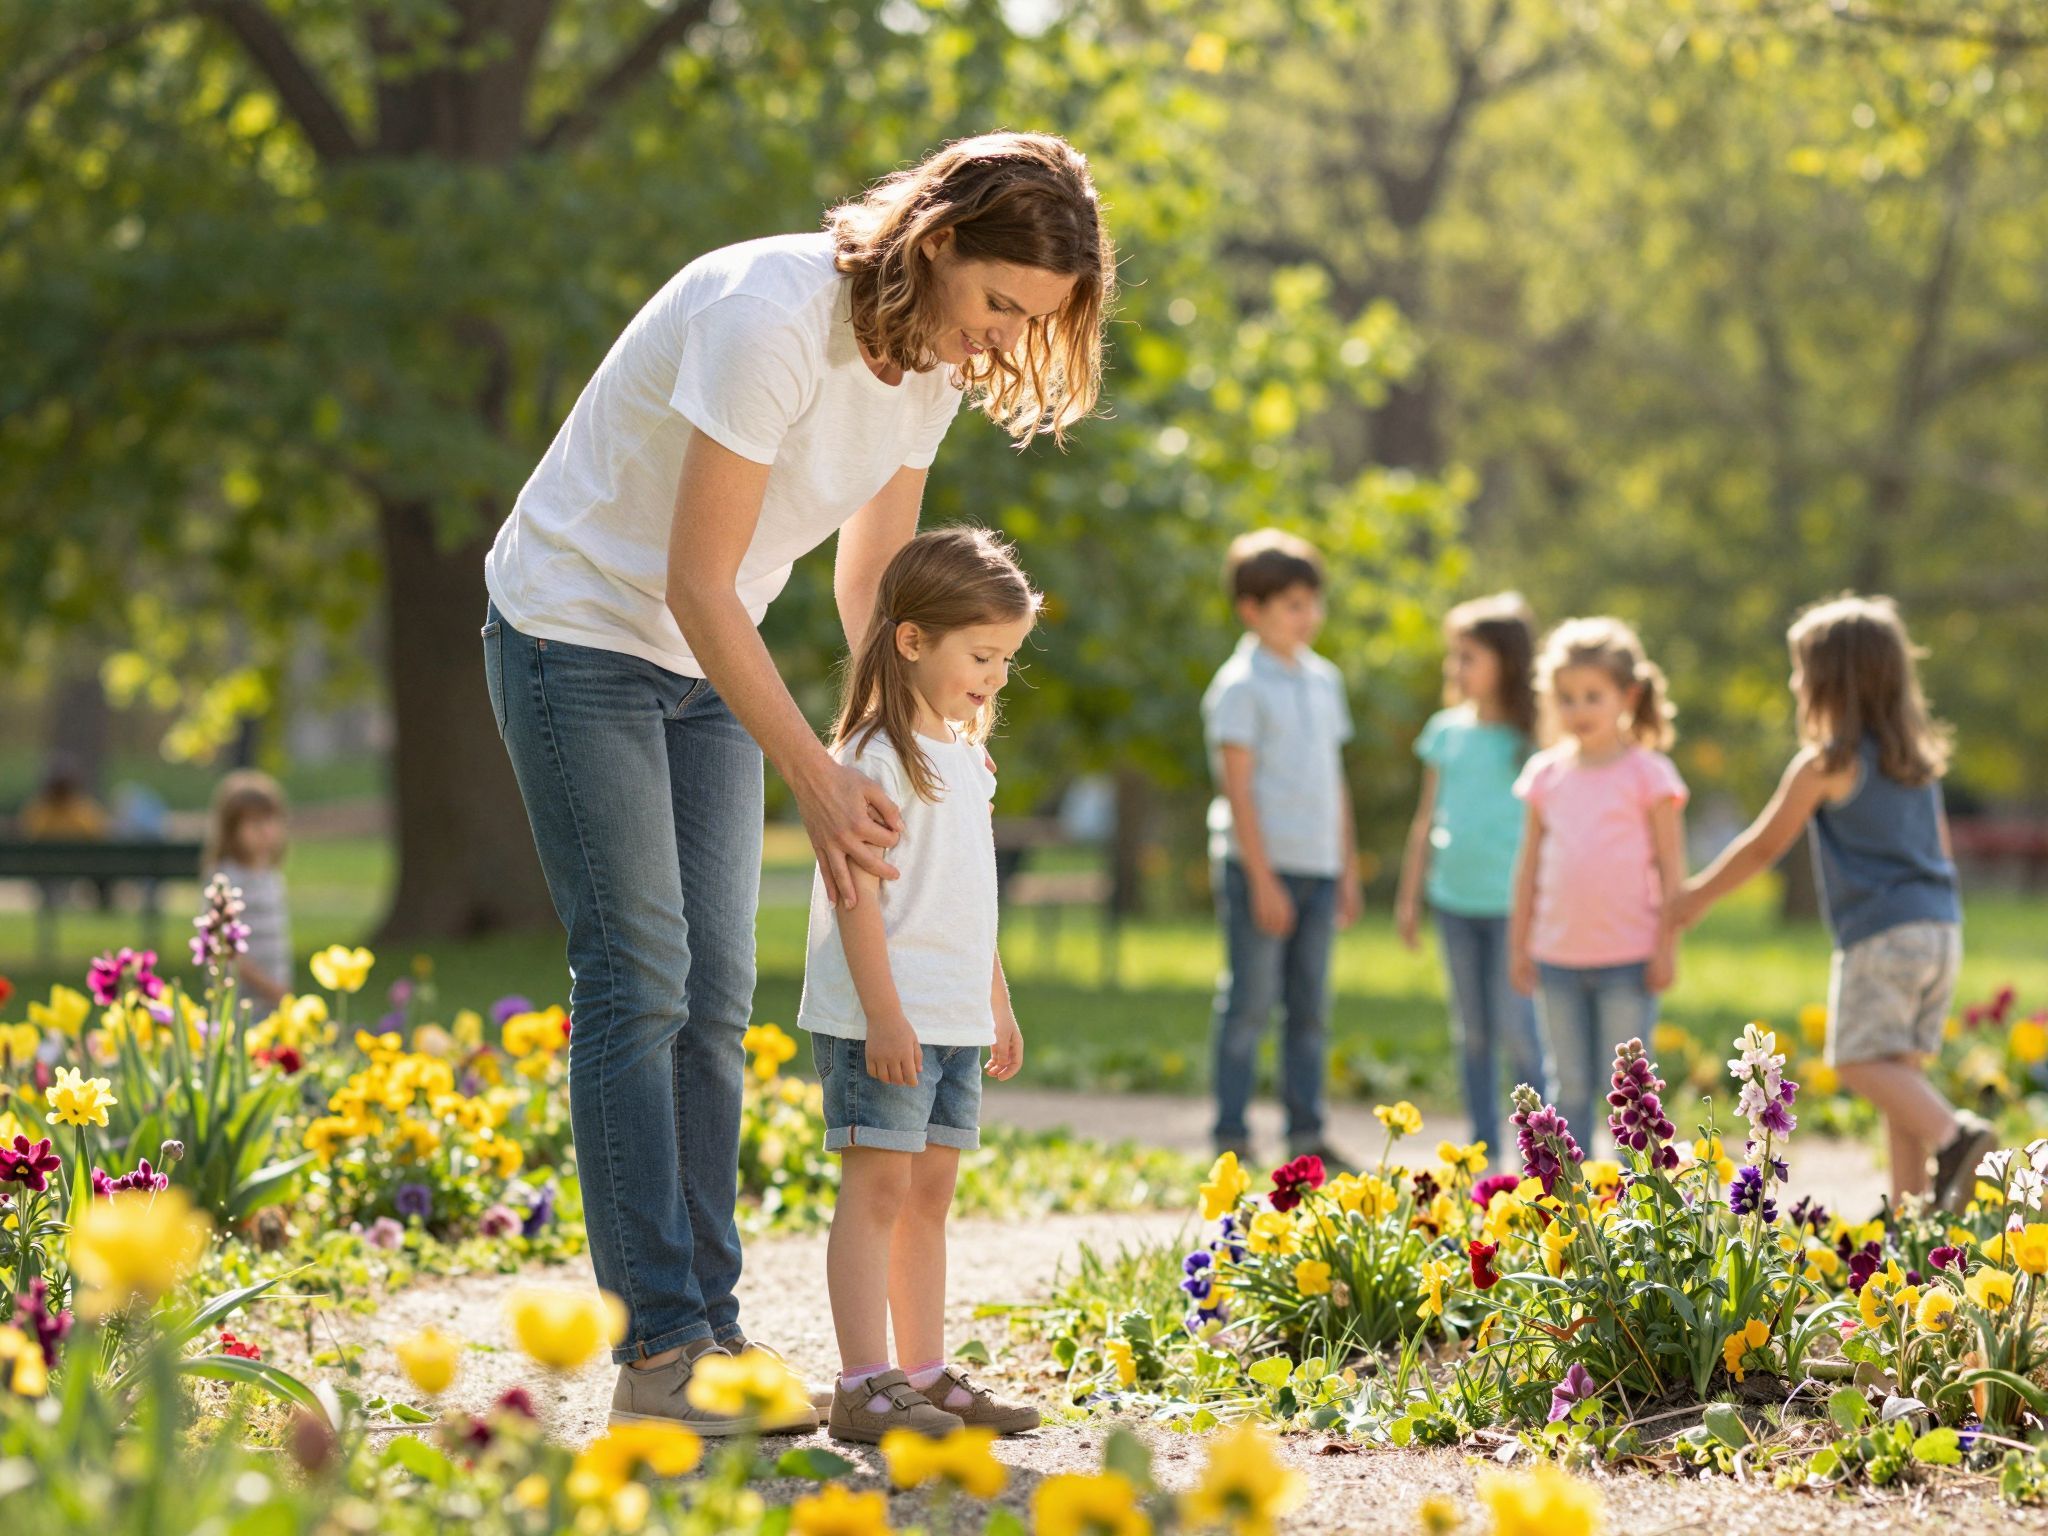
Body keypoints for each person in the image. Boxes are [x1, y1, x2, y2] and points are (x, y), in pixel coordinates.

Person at [480, 132, 1113, 1435]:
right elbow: (693, 580)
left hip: (715, 658)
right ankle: (661, 1350)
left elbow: (874, 588)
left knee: (721, 993)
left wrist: (887, 746)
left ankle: (714, 1332)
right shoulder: (769, 315)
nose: (1000, 344)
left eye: (1030, 323)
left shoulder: (931, 368)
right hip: (574, 634)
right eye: (998, 303)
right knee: (642, 969)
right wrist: (815, 781)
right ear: (936, 243)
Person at [797, 528, 1036, 1444]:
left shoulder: (967, 759)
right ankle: (865, 1382)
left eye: (1005, 659)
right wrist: (884, 1015)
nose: (996, 678)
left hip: (950, 1015)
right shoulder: (873, 757)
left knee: (930, 1193)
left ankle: (926, 1375)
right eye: (982, 656)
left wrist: (996, 1003)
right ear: (909, 640)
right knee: (880, 1191)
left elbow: (970, 898)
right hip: (882, 1017)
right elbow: (856, 899)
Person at [1673, 595, 1987, 1208]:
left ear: (1827, 680)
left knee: (1856, 1062)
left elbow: (1763, 847)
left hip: (1880, 934)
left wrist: (1694, 898)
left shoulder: (1825, 763)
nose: (1793, 681)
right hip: (1940, 929)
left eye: (1799, 669)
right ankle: (1909, 1222)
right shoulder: (1915, 761)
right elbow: (1940, 849)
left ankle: (1958, 1138)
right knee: (1902, 1078)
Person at [1200, 530, 1363, 1167]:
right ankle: (1231, 1136)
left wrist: (1347, 867)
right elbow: (1237, 791)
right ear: (1252, 609)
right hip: (1257, 869)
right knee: (1248, 1004)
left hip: (1319, 867)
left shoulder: (1325, 681)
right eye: (1292, 604)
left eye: (1311, 602)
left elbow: (1334, 781)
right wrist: (1262, 878)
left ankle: (1305, 1135)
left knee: (1310, 1010)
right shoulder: (1239, 686)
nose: (1308, 616)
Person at [1509, 617, 1688, 1147]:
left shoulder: (1649, 775)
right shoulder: (1545, 775)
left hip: (1628, 960)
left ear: (1626, 695)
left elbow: (1672, 872)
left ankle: (1639, 1215)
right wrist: (1519, 946)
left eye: (1592, 696)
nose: (1578, 709)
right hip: (1556, 958)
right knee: (1568, 1086)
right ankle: (1574, 1210)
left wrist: (1667, 947)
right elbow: (1527, 870)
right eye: (1566, 697)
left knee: (1631, 1094)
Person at [1395, 593, 1551, 1155]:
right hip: (1453, 904)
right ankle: (1484, 1145)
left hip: (1513, 909)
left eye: (1468, 657)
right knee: (1473, 1031)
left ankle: (1543, 1145)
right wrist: (1409, 897)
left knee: (1520, 1030)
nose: (1454, 669)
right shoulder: (1445, 732)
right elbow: (1425, 819)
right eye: (1452, 657)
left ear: (1506, 663)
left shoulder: (1533, 740)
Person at [202, 770, 294, 1010]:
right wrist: (271, 988)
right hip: (238, 1002)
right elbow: (224, 948)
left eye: (270, 821)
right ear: (231, 830)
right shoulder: (226, 880)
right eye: (254, 823)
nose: (265, 831)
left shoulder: (270, 875)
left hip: (272, 997)